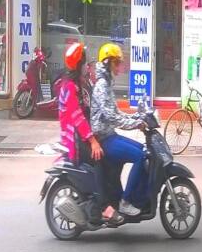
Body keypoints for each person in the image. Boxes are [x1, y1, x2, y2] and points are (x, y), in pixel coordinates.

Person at [58, 42, 122, 225]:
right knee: (99, 157)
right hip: (75, 139)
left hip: (85, 135)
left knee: (112, 158)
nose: (88, 65)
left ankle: (113, 198)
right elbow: (78, 118)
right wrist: (93, 141)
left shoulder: (82, 83)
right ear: (79, 65)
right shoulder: (69, 87)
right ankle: (104, 207)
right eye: (85, 62)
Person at [91, 43, 146, 217]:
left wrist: (136, 117)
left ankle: (129, 196)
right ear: (107, 63)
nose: (118, 66)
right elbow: (112, 117)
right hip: (104, 139)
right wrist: (134, 124)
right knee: (140, 156)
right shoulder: (101, 86)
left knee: (143, 150)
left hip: (110, 135)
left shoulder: (106, 84)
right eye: (116, 63)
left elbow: (116, 112)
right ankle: (125, 201)